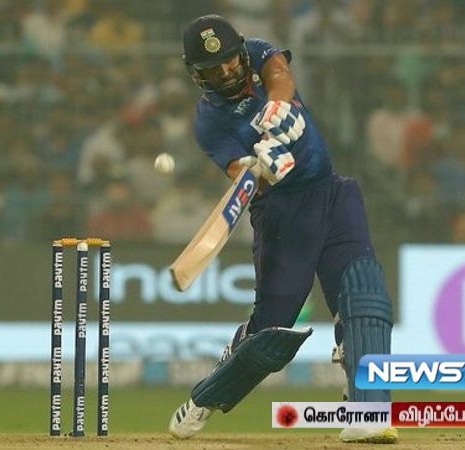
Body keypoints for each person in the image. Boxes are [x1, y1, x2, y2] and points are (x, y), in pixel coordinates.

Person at [167, 15, 397, 444]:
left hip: (332, 193)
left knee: (365, 298)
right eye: (214, 70)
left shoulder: (256, 52)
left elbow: (279, 73)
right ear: (196, 74)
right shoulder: (209, 122)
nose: (228, 72)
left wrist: (278, 107)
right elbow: (240, 178)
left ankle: (367, 411)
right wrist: (260, 168)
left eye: (231, 61)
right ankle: (206, 396)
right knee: (271, 333)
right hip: (282, 215)